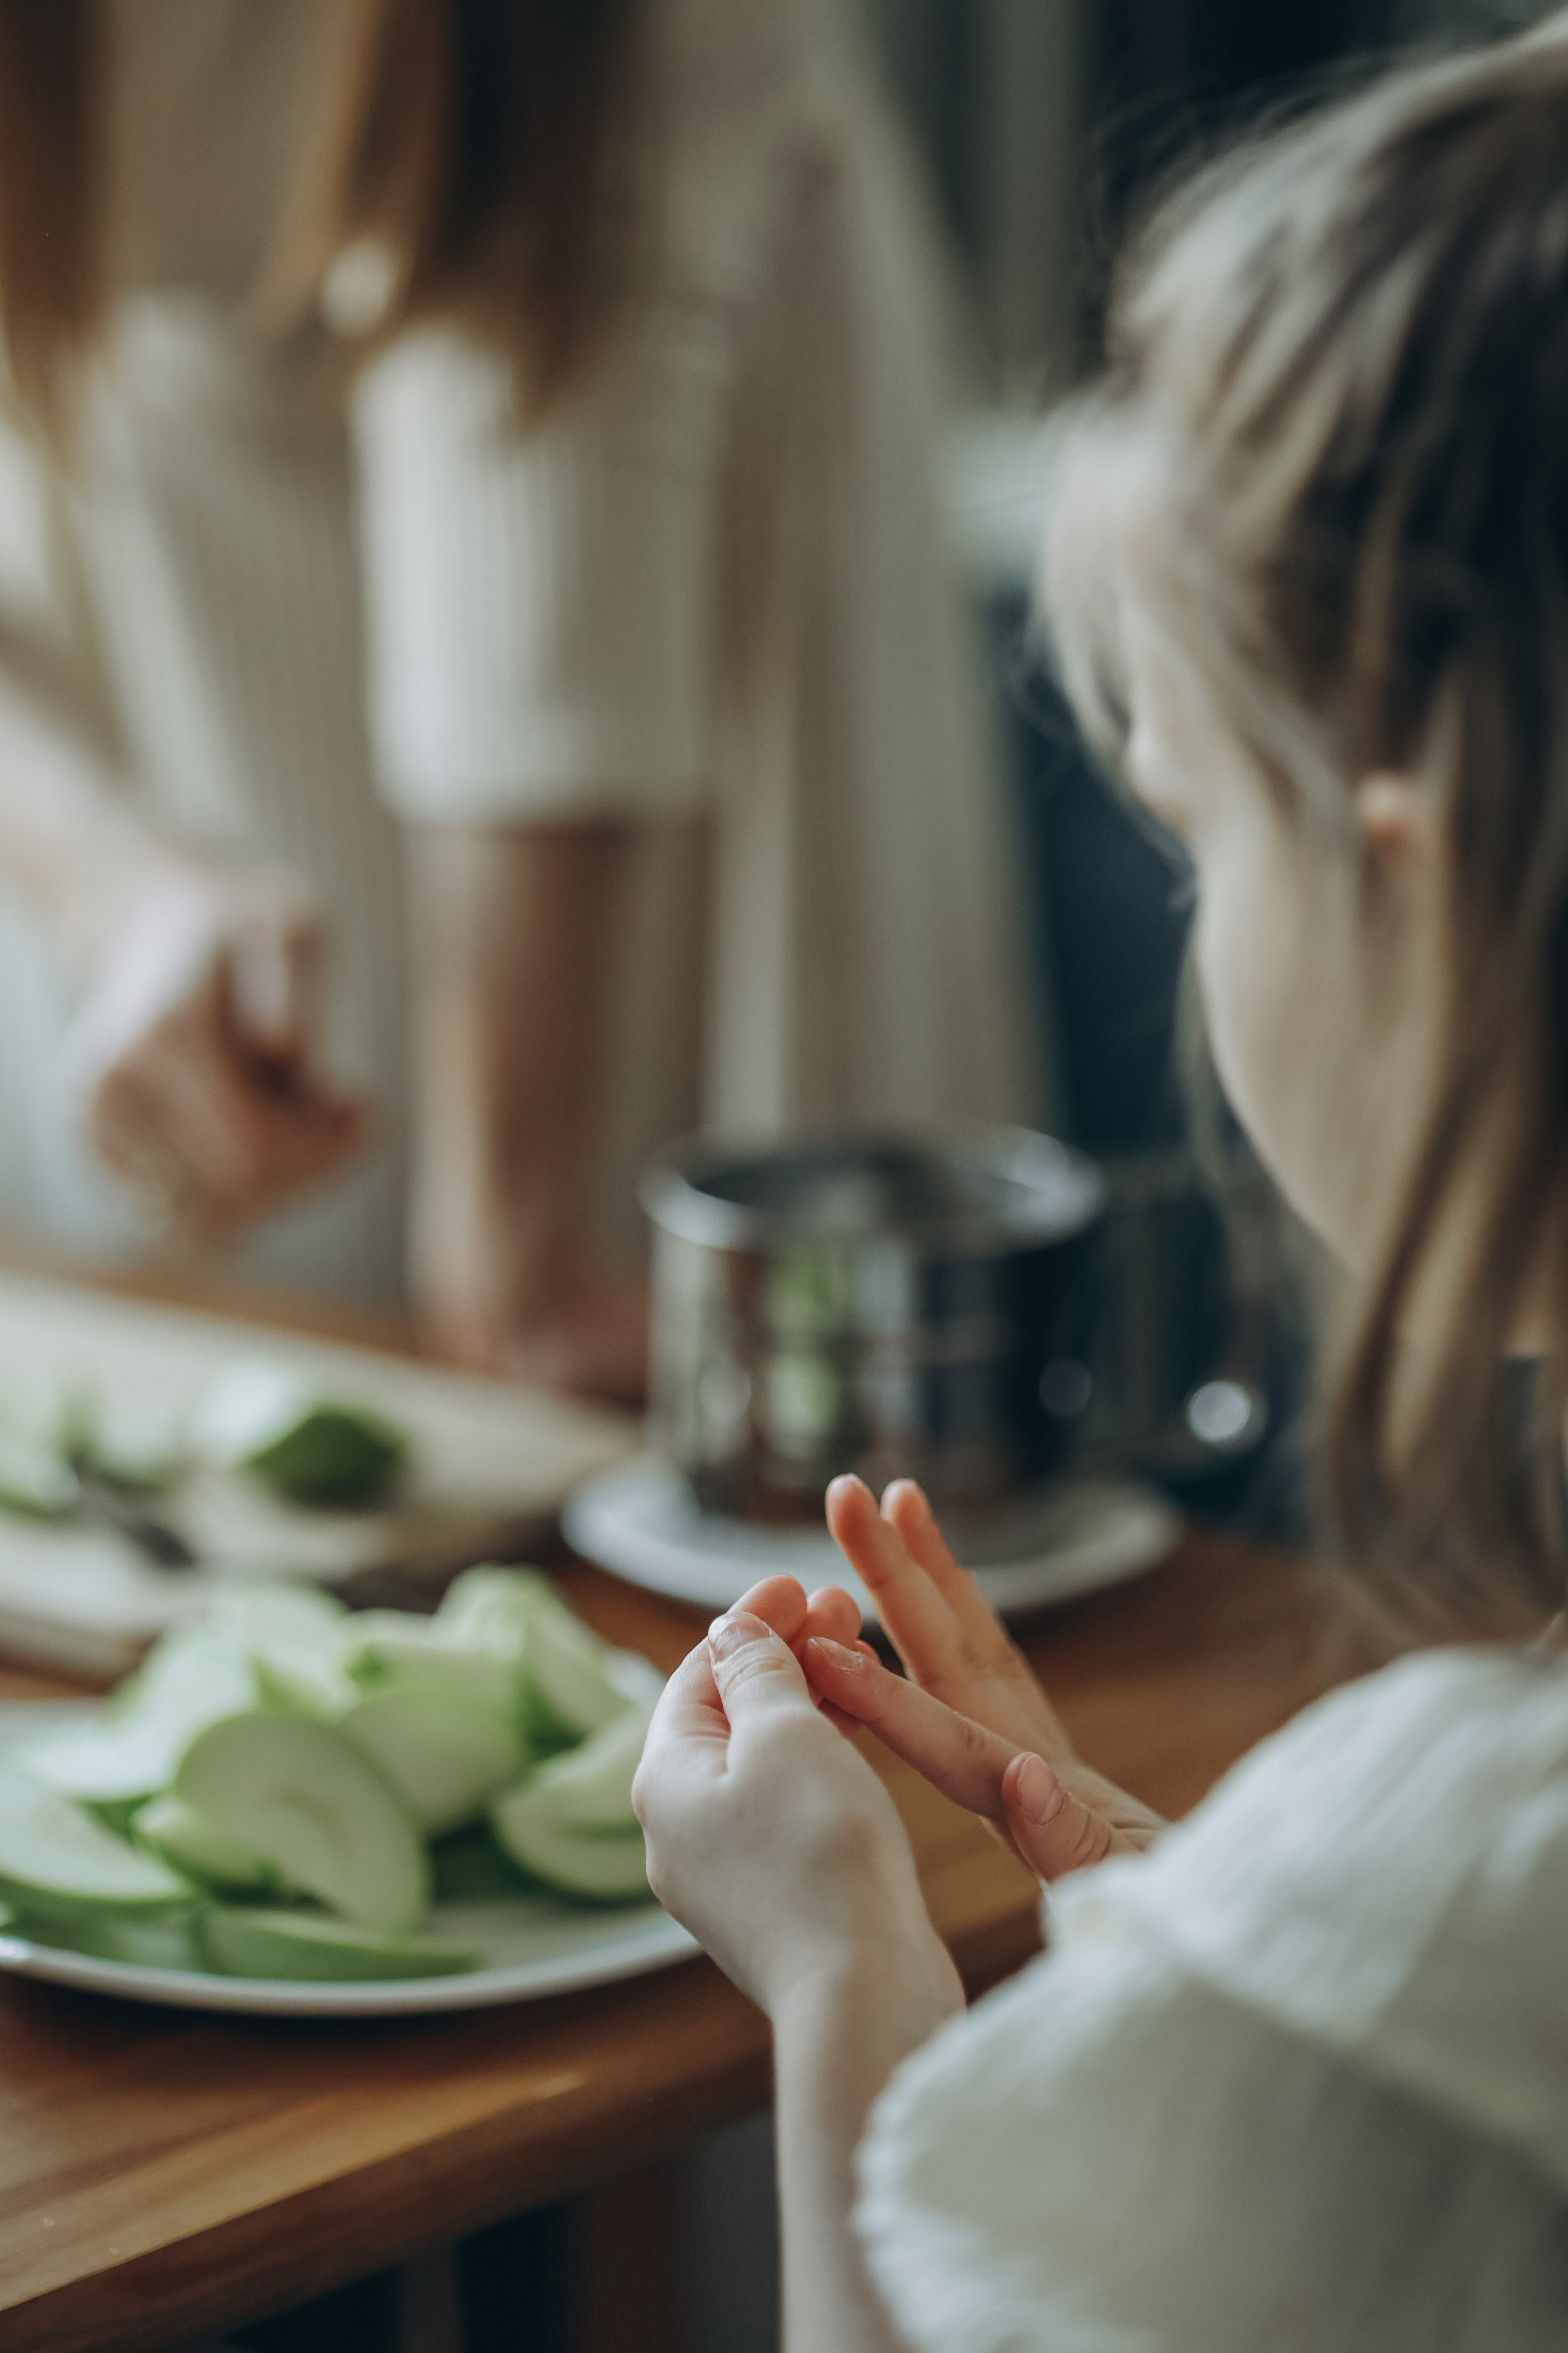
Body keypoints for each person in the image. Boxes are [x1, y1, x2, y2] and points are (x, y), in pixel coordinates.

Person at [632, 20, 1568, 2348]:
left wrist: (846, 1957)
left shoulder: (1477, 1834)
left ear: (1409, 884)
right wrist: (1191, 1922)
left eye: (1195, 826)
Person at [0, 0, 1033, 1395]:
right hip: (147, 492)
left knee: (753, 1351)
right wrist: (114, 879)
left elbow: (550, 382)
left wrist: (514, 1217)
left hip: (673, 446)